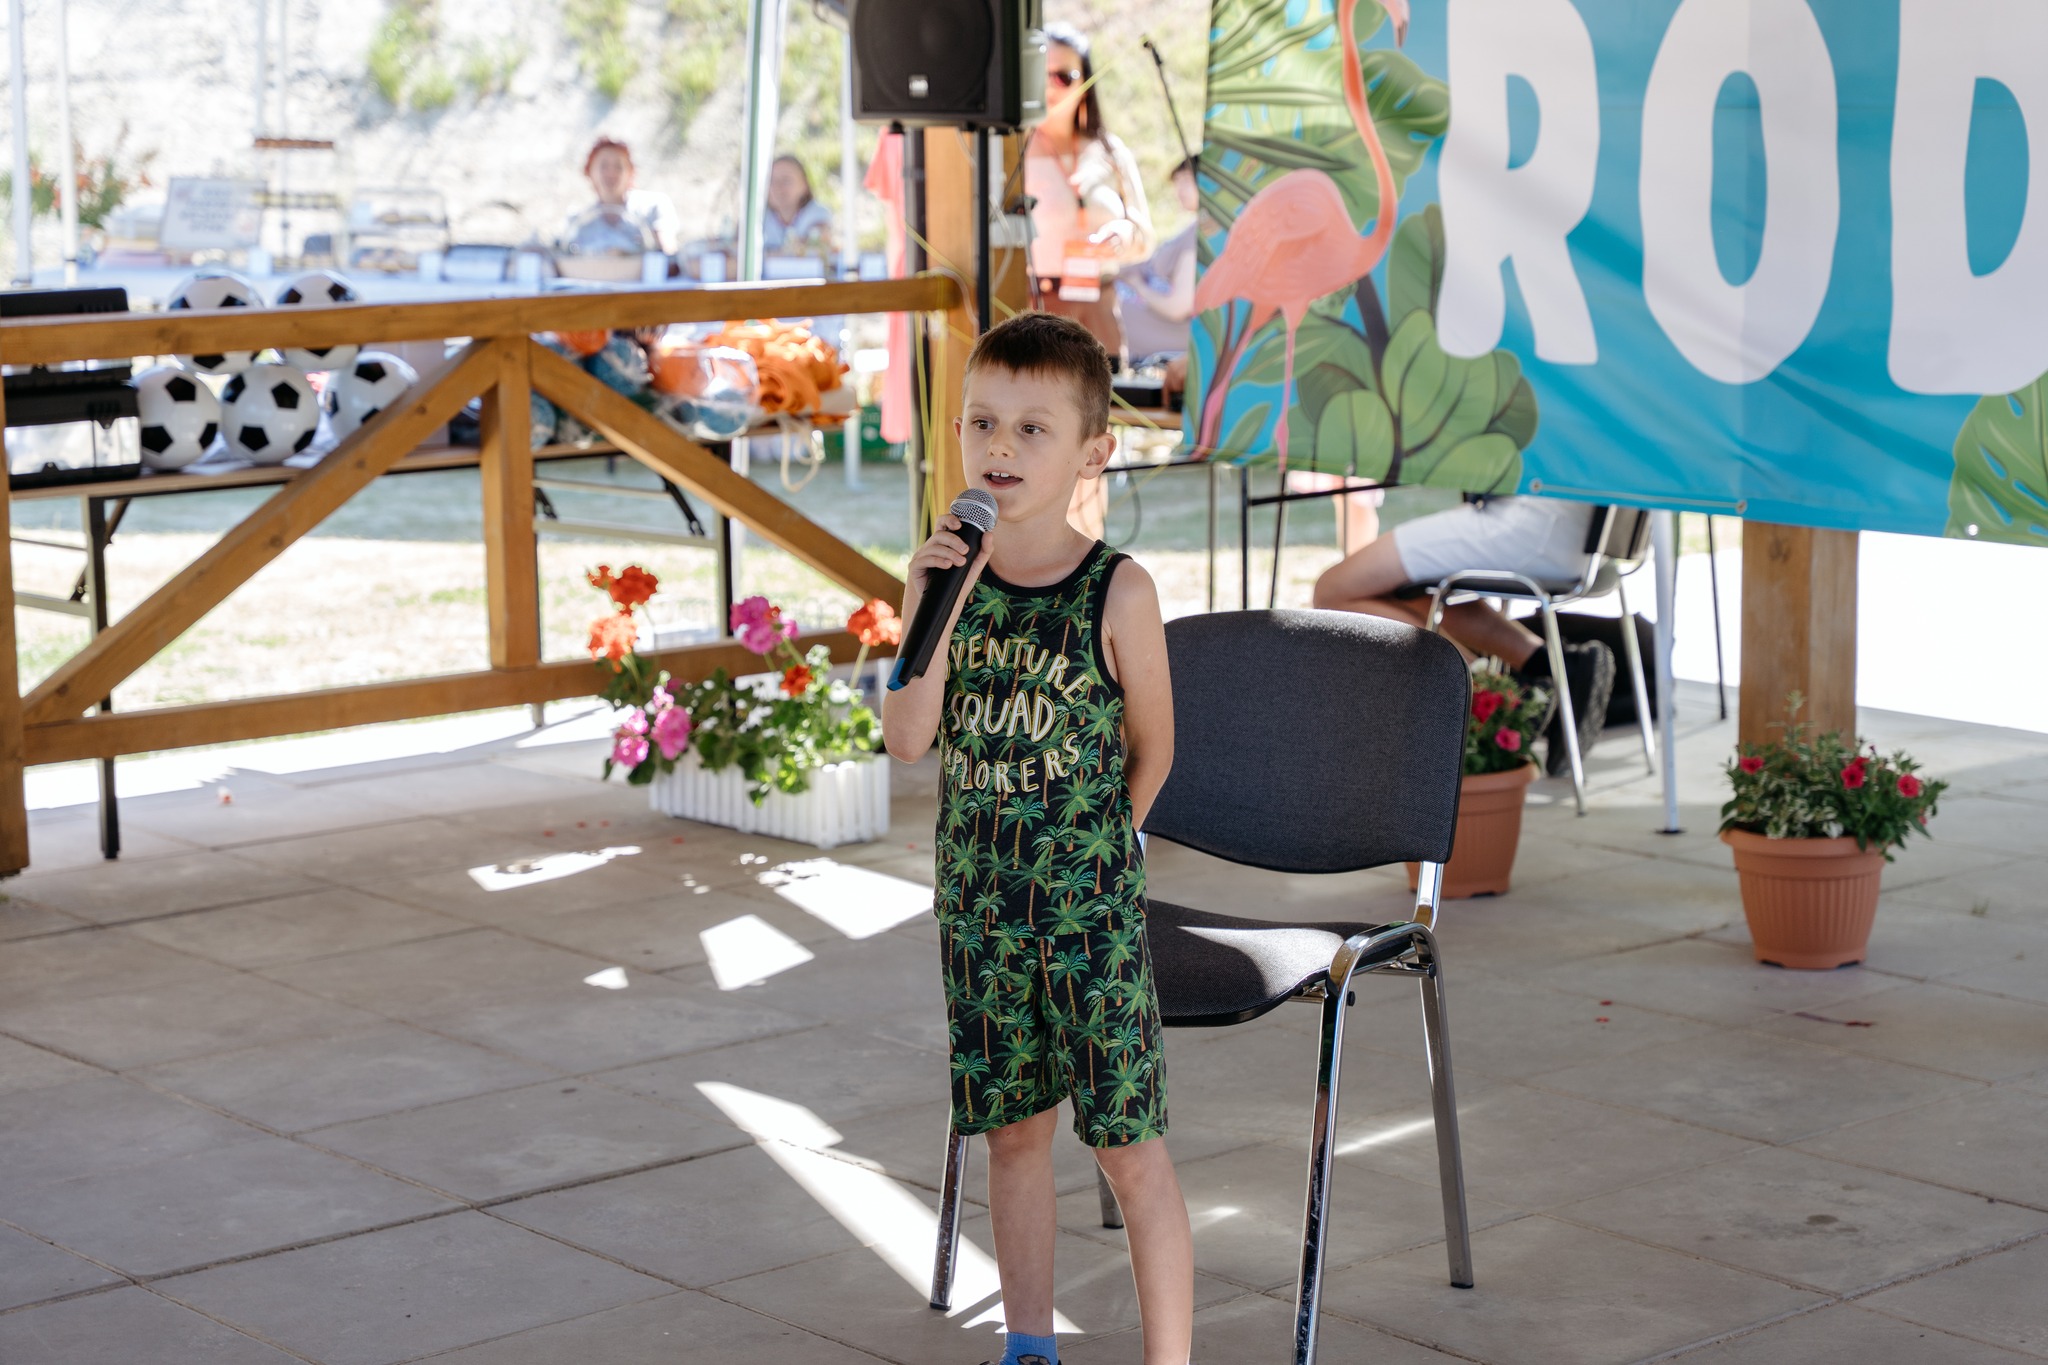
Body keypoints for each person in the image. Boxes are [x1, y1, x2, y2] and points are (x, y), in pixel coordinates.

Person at [883, 312, 1190, 1365]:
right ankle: (1029, 1346)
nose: (1000, 448)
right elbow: (907, 739)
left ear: (1092, 453)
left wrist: (1109, 849)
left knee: (1127, 1147)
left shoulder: (1119, 590)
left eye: (1031, 428)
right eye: (982, 423)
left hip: (1086, 920)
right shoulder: (942, 584)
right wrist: (929, 599)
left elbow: (1154, 746)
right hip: (981, 917)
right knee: (1013, 1135)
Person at [1313, 495, 1617, 773]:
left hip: (1532, 522)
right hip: (1584, 535)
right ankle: (1552, 666)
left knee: (1334, 589)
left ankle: (1491, 696)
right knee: (1395, 585)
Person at [1025, 22, 1155, 367]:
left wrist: (1124, 234)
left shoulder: (1110, 150)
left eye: (1063, 76)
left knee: (1105, 401)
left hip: (1100, 313)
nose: (1050, 86)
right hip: (1037, 315)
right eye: (1041, 74)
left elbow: (1145, 235)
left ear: (1085, 82)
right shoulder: (1013, 153)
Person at [1118, 155, 1199, 362]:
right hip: (1146, 320)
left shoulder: (1201, 237)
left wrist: (1137, 284)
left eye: (1187, 180)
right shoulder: (1194, 228)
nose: (1179, 189)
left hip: (1165, 334)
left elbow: (1178, 307)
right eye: (1177, 181)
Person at [561, 136, 679, 257]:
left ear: (630, 173)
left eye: (618, 166)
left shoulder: (653, 207)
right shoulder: (579, 222)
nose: (611, 173)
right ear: (589, 172)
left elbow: (669, 253)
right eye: (603, 166)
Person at [763, 153, 835, 259]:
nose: (778, 187)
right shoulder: (759, 218)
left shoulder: (818, 214)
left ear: (804, 184)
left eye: (786, 180)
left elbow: (816, 245)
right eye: (771, 181)